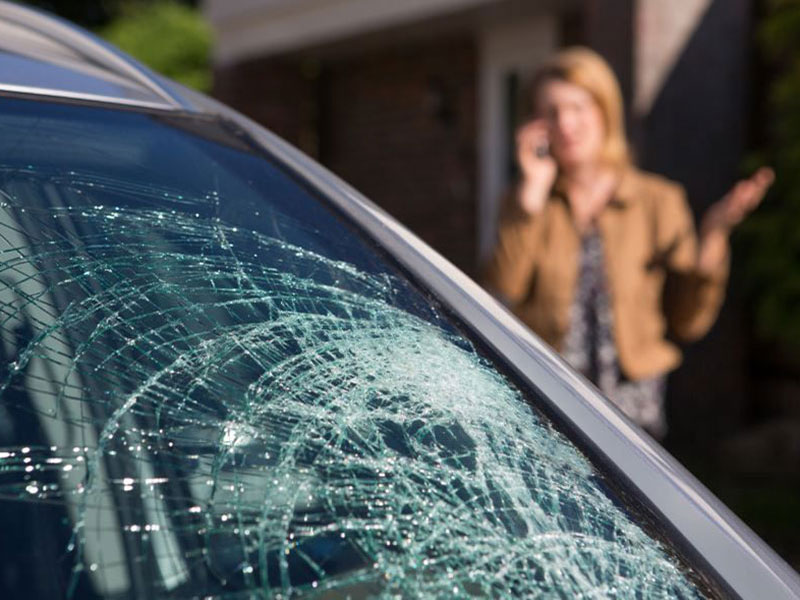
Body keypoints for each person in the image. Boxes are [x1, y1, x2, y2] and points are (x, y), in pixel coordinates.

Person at [482, 47, 773, 438]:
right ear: (535, 125)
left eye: (578, 107)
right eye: (551, 112)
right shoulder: (527, 203)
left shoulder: (658, 201)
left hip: (634, 414)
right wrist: (529, 200)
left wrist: (715, 235)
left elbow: (689, 320)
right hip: (547, 405)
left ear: (605, 111)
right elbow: (500, 293)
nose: (565, 124)